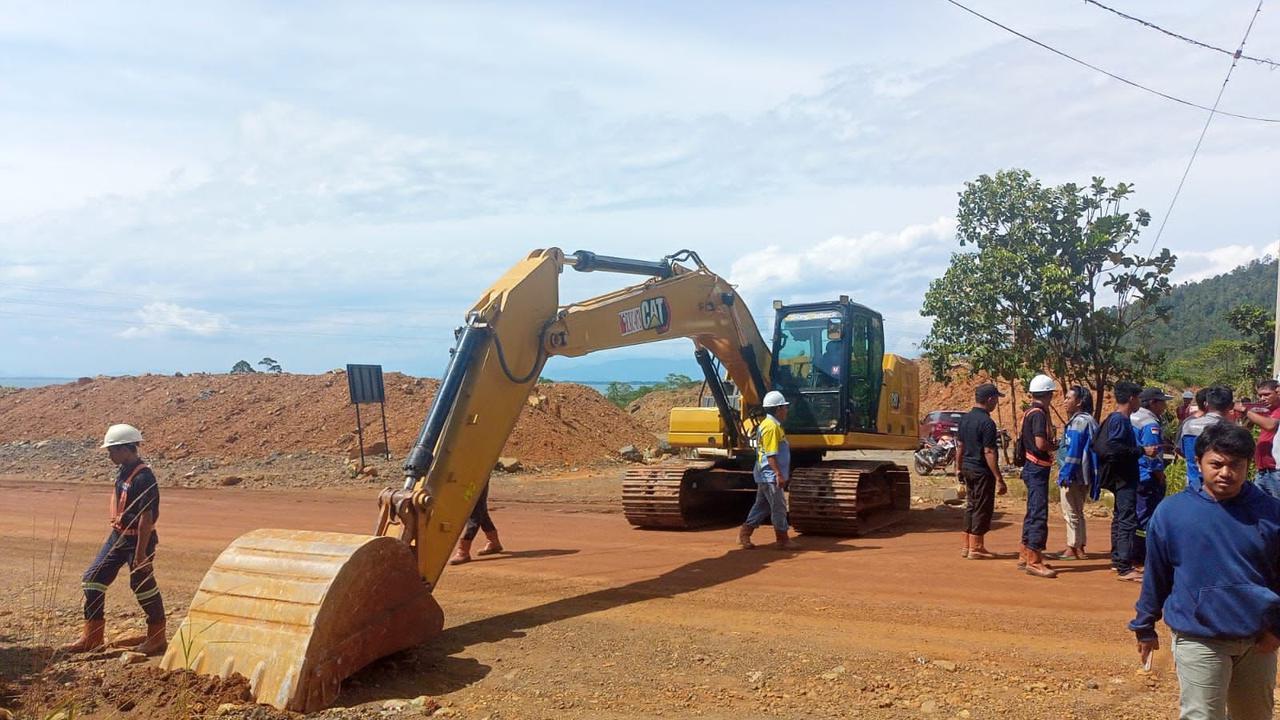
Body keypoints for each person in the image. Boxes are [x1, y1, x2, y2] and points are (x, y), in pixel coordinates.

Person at [1129, 422, 1280, 720]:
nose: (1226, 472)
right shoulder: (1172, 514)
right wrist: (1144, 625)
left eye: (1235, 465)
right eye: (1217, 464)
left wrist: (1277, 629)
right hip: (1199, 637)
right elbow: (1156, 576)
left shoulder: (1272, 513)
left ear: (1248, 466)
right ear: (1197, 463)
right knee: (1202, 716)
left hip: (1258, 641)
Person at [61, 424, 166, 655]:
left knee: (142, 585)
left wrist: (140, 555)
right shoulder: (123, 470)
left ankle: (157, 637)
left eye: (112, 450)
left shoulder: (144, 477)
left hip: (139, 540)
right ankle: (92, 638)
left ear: (126, 449)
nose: (109, 455)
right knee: (93, 579)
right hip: (118, 537)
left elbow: (146, 517)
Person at [1095, 381, 1145, 582]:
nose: (1139, 401)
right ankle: (1124, 566)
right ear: (1132, 398)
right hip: (1123, 478)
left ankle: (1118, 561)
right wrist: (1142, 451)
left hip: (1119, 477)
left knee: (1120, 517)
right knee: (1126, 519)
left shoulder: (1114, 419)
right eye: (1138, 397)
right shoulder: (1120, 420)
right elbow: (1115, 448)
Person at [739, 390, 799, 550]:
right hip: (770, 475)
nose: (787, 410)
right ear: (778, 409)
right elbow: (771, 455)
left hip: (765, 474)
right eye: (785, 407)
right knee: (779, 506)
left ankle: (745, 532)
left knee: (762, 505)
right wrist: (778, 474)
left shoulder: (768, 425)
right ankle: (782, 539)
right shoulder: (771, 427)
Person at [955, 382, 1007, 560]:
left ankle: (966, 545)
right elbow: (989, 451)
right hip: (981, 470)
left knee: (971, 505)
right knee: (982, 507)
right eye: (996, 400)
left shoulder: (965, 419)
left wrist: (957, 468)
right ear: (990, 399)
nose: (996, 404)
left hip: (967, 469)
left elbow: (959, 446)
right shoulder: (987, 423)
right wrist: (998, 477)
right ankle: (976, 547)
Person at [1017, 374, 1058, 578]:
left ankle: (1025, 554)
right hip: (1037, 468)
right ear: (1049, 394)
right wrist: (1054, 447)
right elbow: (1041, 444)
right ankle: (1034, 561)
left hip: (1030, 467)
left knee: (1032, 511)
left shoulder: (1029, 412)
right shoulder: (1039, 415)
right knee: (1038, 513)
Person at [1050, 385, 1097, 561]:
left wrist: (1066, 474)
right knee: (1078, 511)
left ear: (1079, 402)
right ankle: (1080, 546)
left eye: (1069, 398)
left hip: (1074, 474)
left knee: (1070, 512)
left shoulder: (1078, 423)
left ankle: (1072, 547)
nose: (1065, 402)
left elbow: (1074, 451)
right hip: (1083, 474)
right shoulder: (1089, 420)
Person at [1132, 387, 1172, 568]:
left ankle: (1130, 552)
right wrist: (1160, 475)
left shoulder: (1133, 417)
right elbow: (1152, 454)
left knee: (1133, 515)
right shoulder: (1150, 423)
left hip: (1132, 474)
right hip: (1146, 477)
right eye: (1162, 402)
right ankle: (1141, 555)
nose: (1164, 406)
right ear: (1153, 403)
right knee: (1146, 517)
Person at [1178, 386, 1232, 492]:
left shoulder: (1188, 424)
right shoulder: (1228, 429)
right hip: (1217, 487)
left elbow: (1182, 451)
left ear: (1206, 404)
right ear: (1231, 406)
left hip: (1192, 484)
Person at [1239, 379, 1280, 500]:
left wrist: (1246, 411)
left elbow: (1270, 425)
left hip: (1275, 471)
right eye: (1260, 395)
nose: (1263, 398)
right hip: (1263, 470)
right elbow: (1244, 431)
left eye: (1267, 394)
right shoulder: (1267, 412)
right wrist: (1250, 416)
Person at [449, 483, 504, 565]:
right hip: (471, 478)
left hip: (475, 478)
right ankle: (494, 543)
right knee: (480, 510)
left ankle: (463, 551)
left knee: (475, 512)